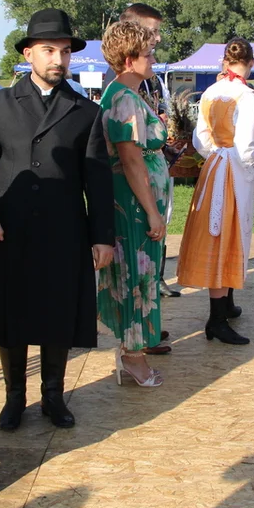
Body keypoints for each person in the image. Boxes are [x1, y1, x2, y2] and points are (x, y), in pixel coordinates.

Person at [0, 8, 114, 431]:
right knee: (12, 317)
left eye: (65, 51)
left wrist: (102, 237)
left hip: (65, 232)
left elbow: (97, 180)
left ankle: (53, 397)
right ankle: (13, 398)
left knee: (58, 315)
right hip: (11, 230)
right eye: (48, 50)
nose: (58, 59)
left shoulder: (86, 112)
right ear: (28, 54)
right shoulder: (0, 104)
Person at [177, 38, 254, 346]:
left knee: (219, 232)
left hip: (214, 167)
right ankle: (217, 319)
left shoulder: (211, 91)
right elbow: (246, 148)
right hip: (233, 170)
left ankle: (226, 304)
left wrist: (216, 154)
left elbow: (200, 139)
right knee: (232, 233)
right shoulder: (248, 96)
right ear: (250, 63)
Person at [96, 21, 170, 386]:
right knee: (137, 277)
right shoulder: (124, 98)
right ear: (129, 60)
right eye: (148, 54)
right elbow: (131, 159)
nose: (154, 59)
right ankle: (134, 357)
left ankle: (132, 354)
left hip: (134, 200)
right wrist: (153, 212)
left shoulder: (123, 93)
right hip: (135, 205)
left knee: (136, 275)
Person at [118, 4, 179, 303]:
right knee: (133, 275)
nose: (156, 39)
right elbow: (128, 153)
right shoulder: (121, 81)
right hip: (135, 198)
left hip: (150, 187)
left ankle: (156, 284)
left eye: (157, 32)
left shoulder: (145, 78)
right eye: (151, 32)